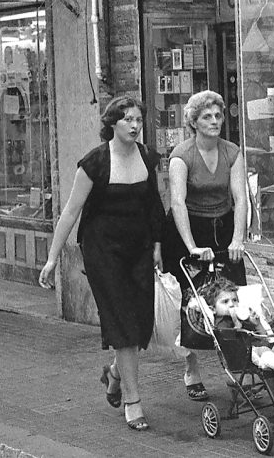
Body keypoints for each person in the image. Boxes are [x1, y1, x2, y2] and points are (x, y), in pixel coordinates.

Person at [38, 97, 165, 432]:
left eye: (139, 119)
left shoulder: (146, 156)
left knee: (140, 323)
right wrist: (52, 258)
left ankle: (113, 373)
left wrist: (157, 245)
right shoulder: (94, 162)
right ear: (112, 124)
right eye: (128, 120)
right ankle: (133, 400)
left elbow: (154, 206)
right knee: (122, 322)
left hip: (138, 248)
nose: (135, 126)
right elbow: (70, 211)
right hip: (103, 250)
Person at [161, 90, 248, 401]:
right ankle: (192, 369)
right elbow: (178, 202)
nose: (215, 122)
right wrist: (191, 246)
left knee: (233, 298)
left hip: (222, 227)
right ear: (193, 123)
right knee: (192, 302)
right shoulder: (182, 156)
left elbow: (240, 199)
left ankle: (237, 370)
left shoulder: (232, 152)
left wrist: (238, 238)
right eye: (207, 117)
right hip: (188, 230)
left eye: (218, 116)